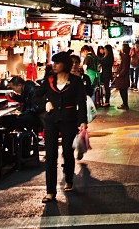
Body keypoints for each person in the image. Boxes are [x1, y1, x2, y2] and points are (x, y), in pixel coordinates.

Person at [33, 52, 88, 203]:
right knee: (50, 155)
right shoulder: (49, 81)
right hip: (51, 121)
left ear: (65, 64)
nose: (54, 65)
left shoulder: (76, 81)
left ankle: (69, 179)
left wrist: (83, 121)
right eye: (53, 63)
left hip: (69, 120)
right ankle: (50, 191)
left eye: (57, 63)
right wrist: (45, 103)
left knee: (67, 152)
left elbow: (81, 103)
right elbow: (35, 97)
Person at [115, 43, 132, 110]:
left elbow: (124, 68)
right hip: (124, 76)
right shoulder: (126, 56)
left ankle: (125, 104)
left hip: (123, 77)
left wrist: (119, 74)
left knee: (123, 90)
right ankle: (124, 103)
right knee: (123, 90)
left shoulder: (126, 57)